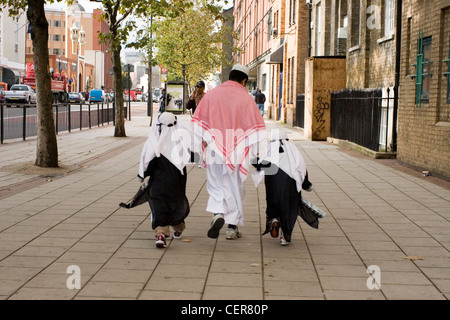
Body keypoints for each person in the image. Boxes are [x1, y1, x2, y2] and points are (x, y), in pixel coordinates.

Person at [191, 64, 267, 240]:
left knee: (216, 184)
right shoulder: (246, 98)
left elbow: (197, 123)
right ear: (244, 80)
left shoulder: (212, 94)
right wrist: (257, 154)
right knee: (236, 187)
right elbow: (256, 129)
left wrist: (198, 150)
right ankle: (232, 227)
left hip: (214, 149)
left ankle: (218, 213)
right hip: (238, 151)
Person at [119, 112, 191, 248]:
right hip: (178, 177)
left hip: (159, 178)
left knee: (159, 202)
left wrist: (142, 175)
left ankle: (163, 232)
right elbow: (192, 150)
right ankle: (172, 229)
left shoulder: (155, 140)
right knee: (174, 201)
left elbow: (147, 156)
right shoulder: (181, 139)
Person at [252, 130, 324, 246]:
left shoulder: (270, 150)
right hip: (289, 186)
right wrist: (306, 184)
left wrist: (252, 160)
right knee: (289, 209)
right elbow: (301, 167)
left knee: (273, 204)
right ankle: (284, 236)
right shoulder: (292, 150)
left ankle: (274, 220)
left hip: (272, 186)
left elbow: (260, 164)